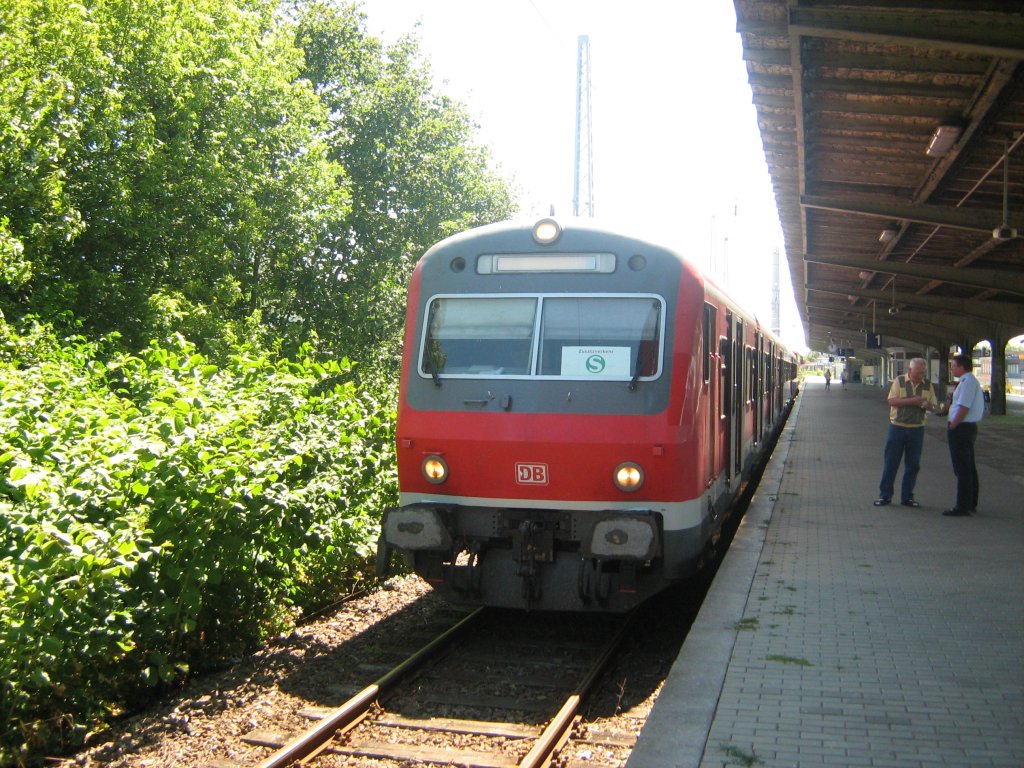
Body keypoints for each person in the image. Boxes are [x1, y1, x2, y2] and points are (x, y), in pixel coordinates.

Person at [874, 357, 938, 508]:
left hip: (917, 429)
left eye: (922, 373)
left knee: (913, 465)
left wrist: (926, 405)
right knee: (891, 462)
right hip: (897, 427)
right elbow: (892, 401)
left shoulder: (928, 385)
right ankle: (885, 495)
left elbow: (934, 407)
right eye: (917, 373)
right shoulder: (899, 381)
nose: (919, 376)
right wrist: (912, 401)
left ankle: (907, 497)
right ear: (909, 370)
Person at [943, 353, 985, 516]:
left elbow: (964, 407)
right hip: (967, 428)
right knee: (968, 467)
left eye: (953, 365)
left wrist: (953, 425)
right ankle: (971, 502)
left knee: (962, 469)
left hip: (961, 428)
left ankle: (963, 506)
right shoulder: (967, 382)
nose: (952, 368)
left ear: (961, 367)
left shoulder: (967, 383)